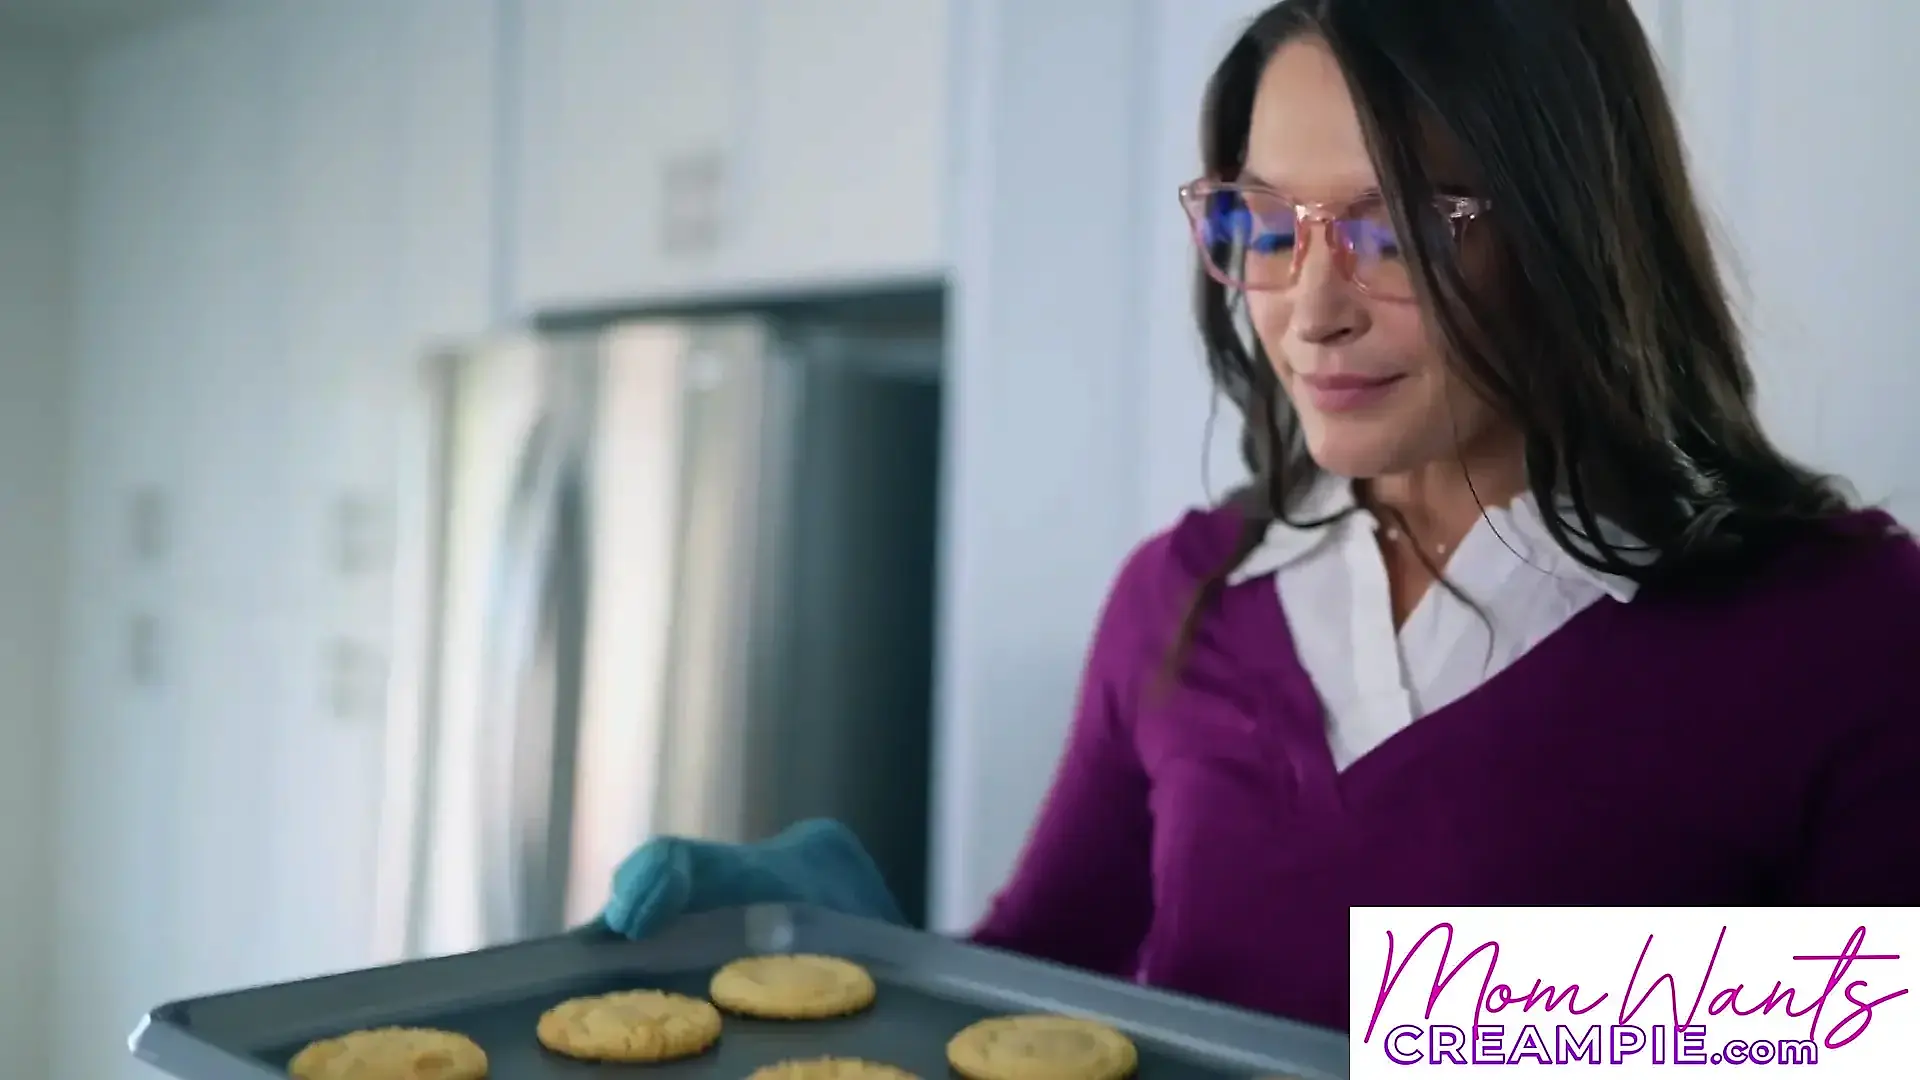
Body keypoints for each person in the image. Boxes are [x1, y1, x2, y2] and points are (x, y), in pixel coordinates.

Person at [600, 0, 1920, 1034]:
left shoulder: (1842, 624)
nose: (1310, 309)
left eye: (1396, 231)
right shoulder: (1181, 598)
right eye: (1267, 224)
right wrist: (880, 958)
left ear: (1573, 231)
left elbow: (1874, 1031)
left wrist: (1418, 997)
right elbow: (1044, 997)